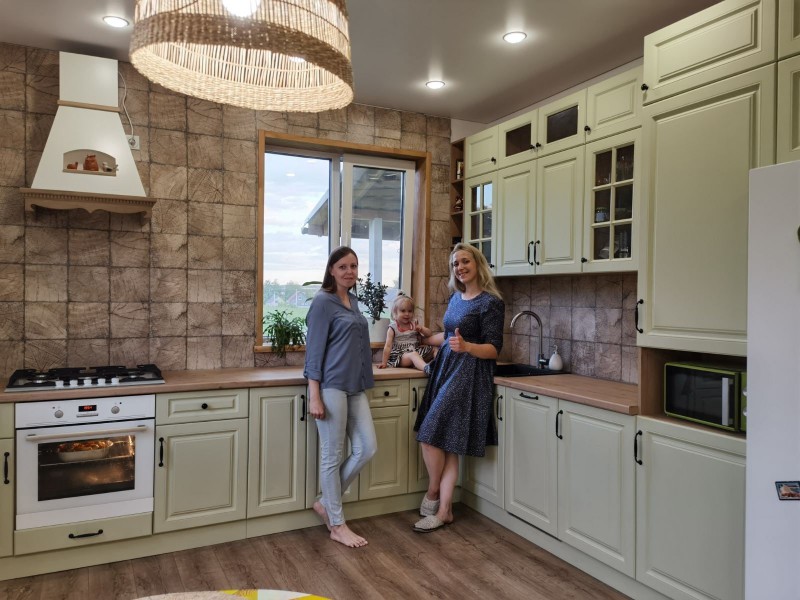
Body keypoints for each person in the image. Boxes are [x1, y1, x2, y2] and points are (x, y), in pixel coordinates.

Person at [412, 243, 505, 532]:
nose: (460, 267)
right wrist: (426, 337)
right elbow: (449, 335)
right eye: (455, 264)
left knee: (429, 436)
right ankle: (445, 510)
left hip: (469, 372)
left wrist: (466, 347)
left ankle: (432, 492)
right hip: (447, 368)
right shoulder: (456, 297)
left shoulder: (491, 302)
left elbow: (494, 348)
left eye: (465, 261)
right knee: (447, 443)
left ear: (477, 264)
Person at [304, 246, 378, 548]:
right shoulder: (323, 302)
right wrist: (315, 395)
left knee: (367, 448)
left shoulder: (354, 301)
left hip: (355, 386)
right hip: (331, 386)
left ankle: (325, 502)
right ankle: (337, 525)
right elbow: (314, 351)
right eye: (343, 266)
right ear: (332, 270)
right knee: (331, 456)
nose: (350, 271)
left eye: (354, 266)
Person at [377, 294, 434, 371]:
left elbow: (429, 334)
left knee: (435, 349)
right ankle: (427, 369)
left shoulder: (414, 324)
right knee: (414, 355)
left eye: (410, 311)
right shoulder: (393, 328)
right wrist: (384, 362)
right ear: (395, 312)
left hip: (415, 351)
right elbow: (388, 346)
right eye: (403, 311)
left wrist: (421, 329)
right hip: (400, 356)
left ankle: (440, 367)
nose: (407, 314)